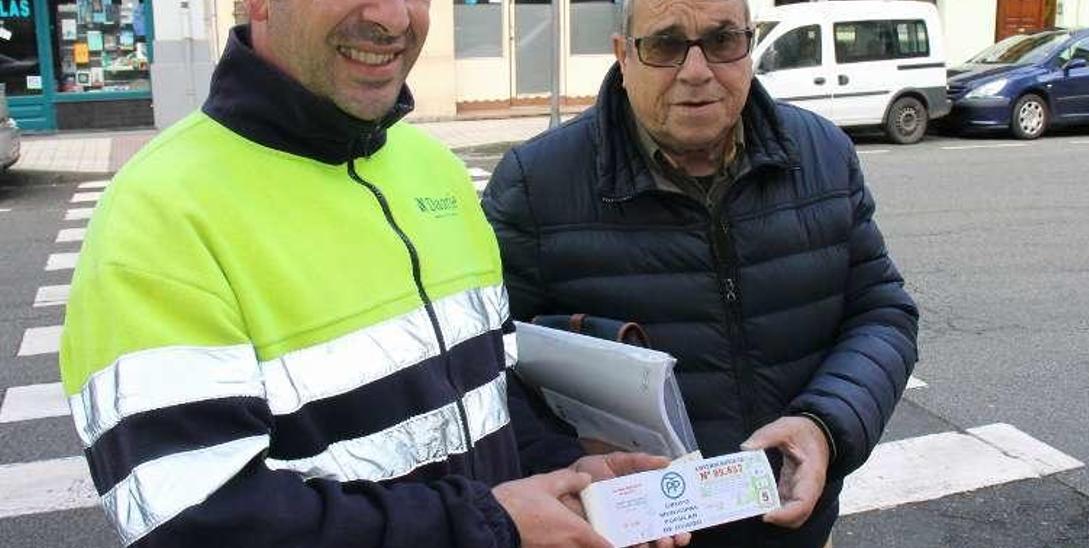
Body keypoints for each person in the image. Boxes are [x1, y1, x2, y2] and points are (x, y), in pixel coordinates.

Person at [59, 1, 687, 547]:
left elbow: (485, 395)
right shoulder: (159, 214)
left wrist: (571, 476)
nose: (391, 17)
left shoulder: (433, 169)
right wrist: (489, 523)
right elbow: (197, 524)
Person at [481, 0, 920, 544]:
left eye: (722, 40)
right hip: (630, 532)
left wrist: (826, 426)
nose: (697, 71)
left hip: (795, 525)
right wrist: (570, 467)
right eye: (665, 45)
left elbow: (881, 311)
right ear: (624, 55)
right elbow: (485, 364)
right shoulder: (535, 184)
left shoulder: (822, 155)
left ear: (749, 45)